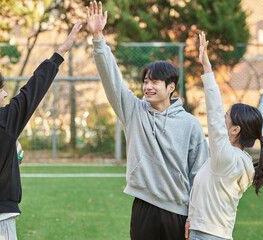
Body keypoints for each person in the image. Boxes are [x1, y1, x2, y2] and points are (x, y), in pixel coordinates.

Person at [86, 2, 209, 239]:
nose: (147, 87)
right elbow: (112, 80)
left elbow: (199, 175)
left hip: (179, 212)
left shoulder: (190, 124)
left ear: (171, 87)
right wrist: (98, 37)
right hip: (144, 207)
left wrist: (195, 215)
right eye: (145, 81)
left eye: (154, 82)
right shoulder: (134, 111)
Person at [0, 20, 82, 240]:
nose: (5, 95)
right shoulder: (1, 124)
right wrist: (61, 52)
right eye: (0, 90)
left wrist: (5, 160)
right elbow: (32, 91)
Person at [185, 32, 263, 240]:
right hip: (210, 233)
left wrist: (207, 69)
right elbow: (206, 193)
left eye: (227, 116)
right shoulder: (236, 160)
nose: (222, 119)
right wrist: (192, 219)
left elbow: (214, 117)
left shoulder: (226, 159)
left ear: (235, 130)